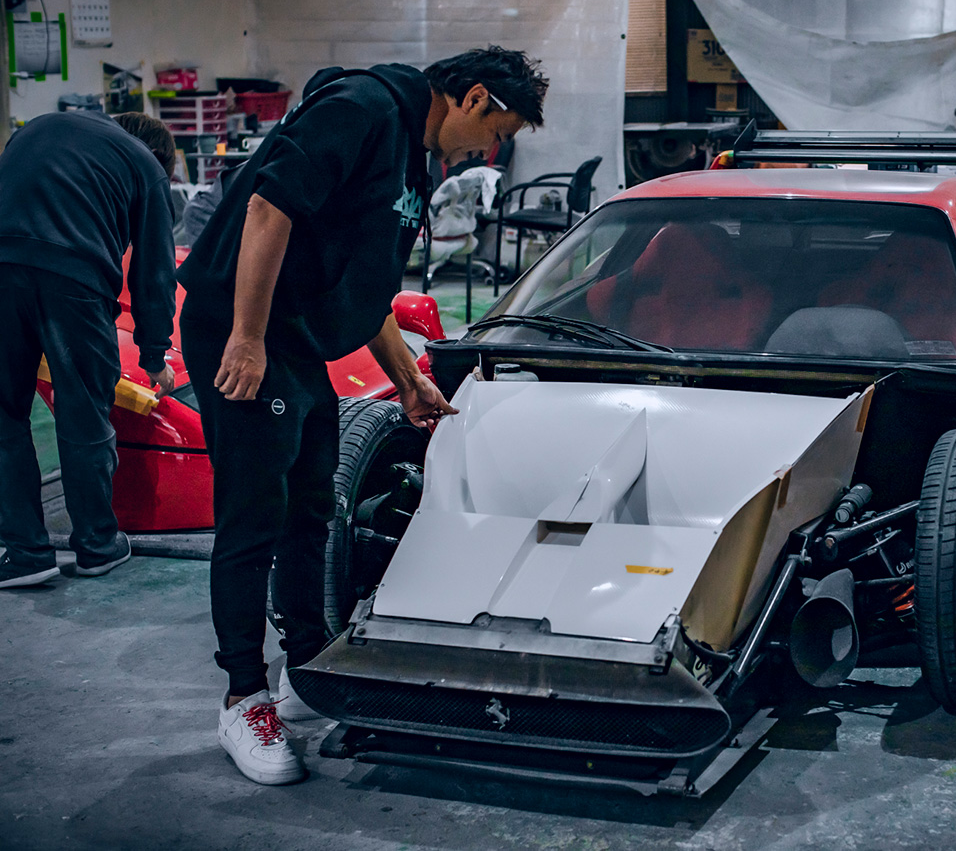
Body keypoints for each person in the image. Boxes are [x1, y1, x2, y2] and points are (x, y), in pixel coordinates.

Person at [177, 47, 547, 785]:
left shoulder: (414, 159)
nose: (489, 150)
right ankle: (242, 696)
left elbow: (365, 283)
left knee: (313, 499)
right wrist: (246, 337)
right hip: (243, 325)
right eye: (495, 131)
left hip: (295, 332)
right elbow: (266, 206)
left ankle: (306, 664)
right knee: (256, 513)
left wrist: (408, 378)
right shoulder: (363, 109)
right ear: (472, 98)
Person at [0, 111, 177, 590]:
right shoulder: (146, 166)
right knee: (83, 411)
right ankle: (98, 544)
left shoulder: (40, 125)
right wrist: (155, 356)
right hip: (75, 280)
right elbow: (154, 273)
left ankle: (25, 554)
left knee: (4, 416)